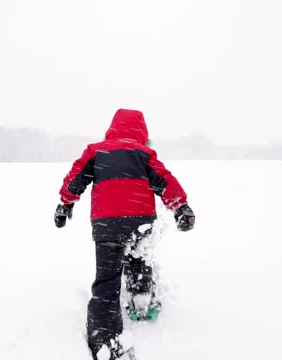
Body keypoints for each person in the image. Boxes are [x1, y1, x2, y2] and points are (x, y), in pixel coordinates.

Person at [54, 109, 195, 360]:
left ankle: (105, 339)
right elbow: (164, 180)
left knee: (107, 280)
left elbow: (75, 178)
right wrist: (181, 207)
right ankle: (141, 302)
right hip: (139, 219)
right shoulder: (144, 153)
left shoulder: (96, 152)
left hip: (107, 223)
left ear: (112, 128)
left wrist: (65, 205)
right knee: (139, 259)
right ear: (142, 133)